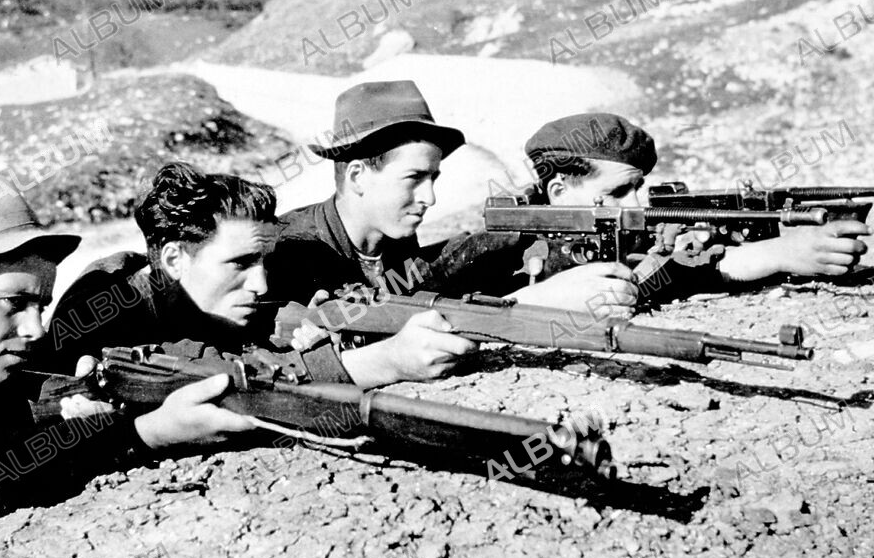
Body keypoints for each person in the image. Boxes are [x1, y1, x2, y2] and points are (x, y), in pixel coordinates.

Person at [0, 177, 255, 554]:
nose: (36, 329)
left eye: (41, 305)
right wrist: (145, 433)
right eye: (13, 303)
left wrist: (77, 399)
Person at [266, 80, 635, 374]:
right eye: (413, 178)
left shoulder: (392, 239)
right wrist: (531, 303)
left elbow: (419, 291)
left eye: (433, 178)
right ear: (359, 176)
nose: (430, 197)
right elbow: (347, 335)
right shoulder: (293, 249)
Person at [47, 162, 471, 389]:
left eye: (261, 262)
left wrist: (320, 326)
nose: (261, 284)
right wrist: (384, 361)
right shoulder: (100, 310)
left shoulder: (220, 298)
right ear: (175, 259)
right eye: (239, 264)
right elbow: (219, 376)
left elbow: (280, 329)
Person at [516, 113, 870, 312]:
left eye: (637, 188)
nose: (635, 205)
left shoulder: (628, 228)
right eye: (617, 193)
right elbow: (459, 310)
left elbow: (686, 269)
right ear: (559, 192)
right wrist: (537, 299)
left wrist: (784, 252)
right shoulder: (505, 243)